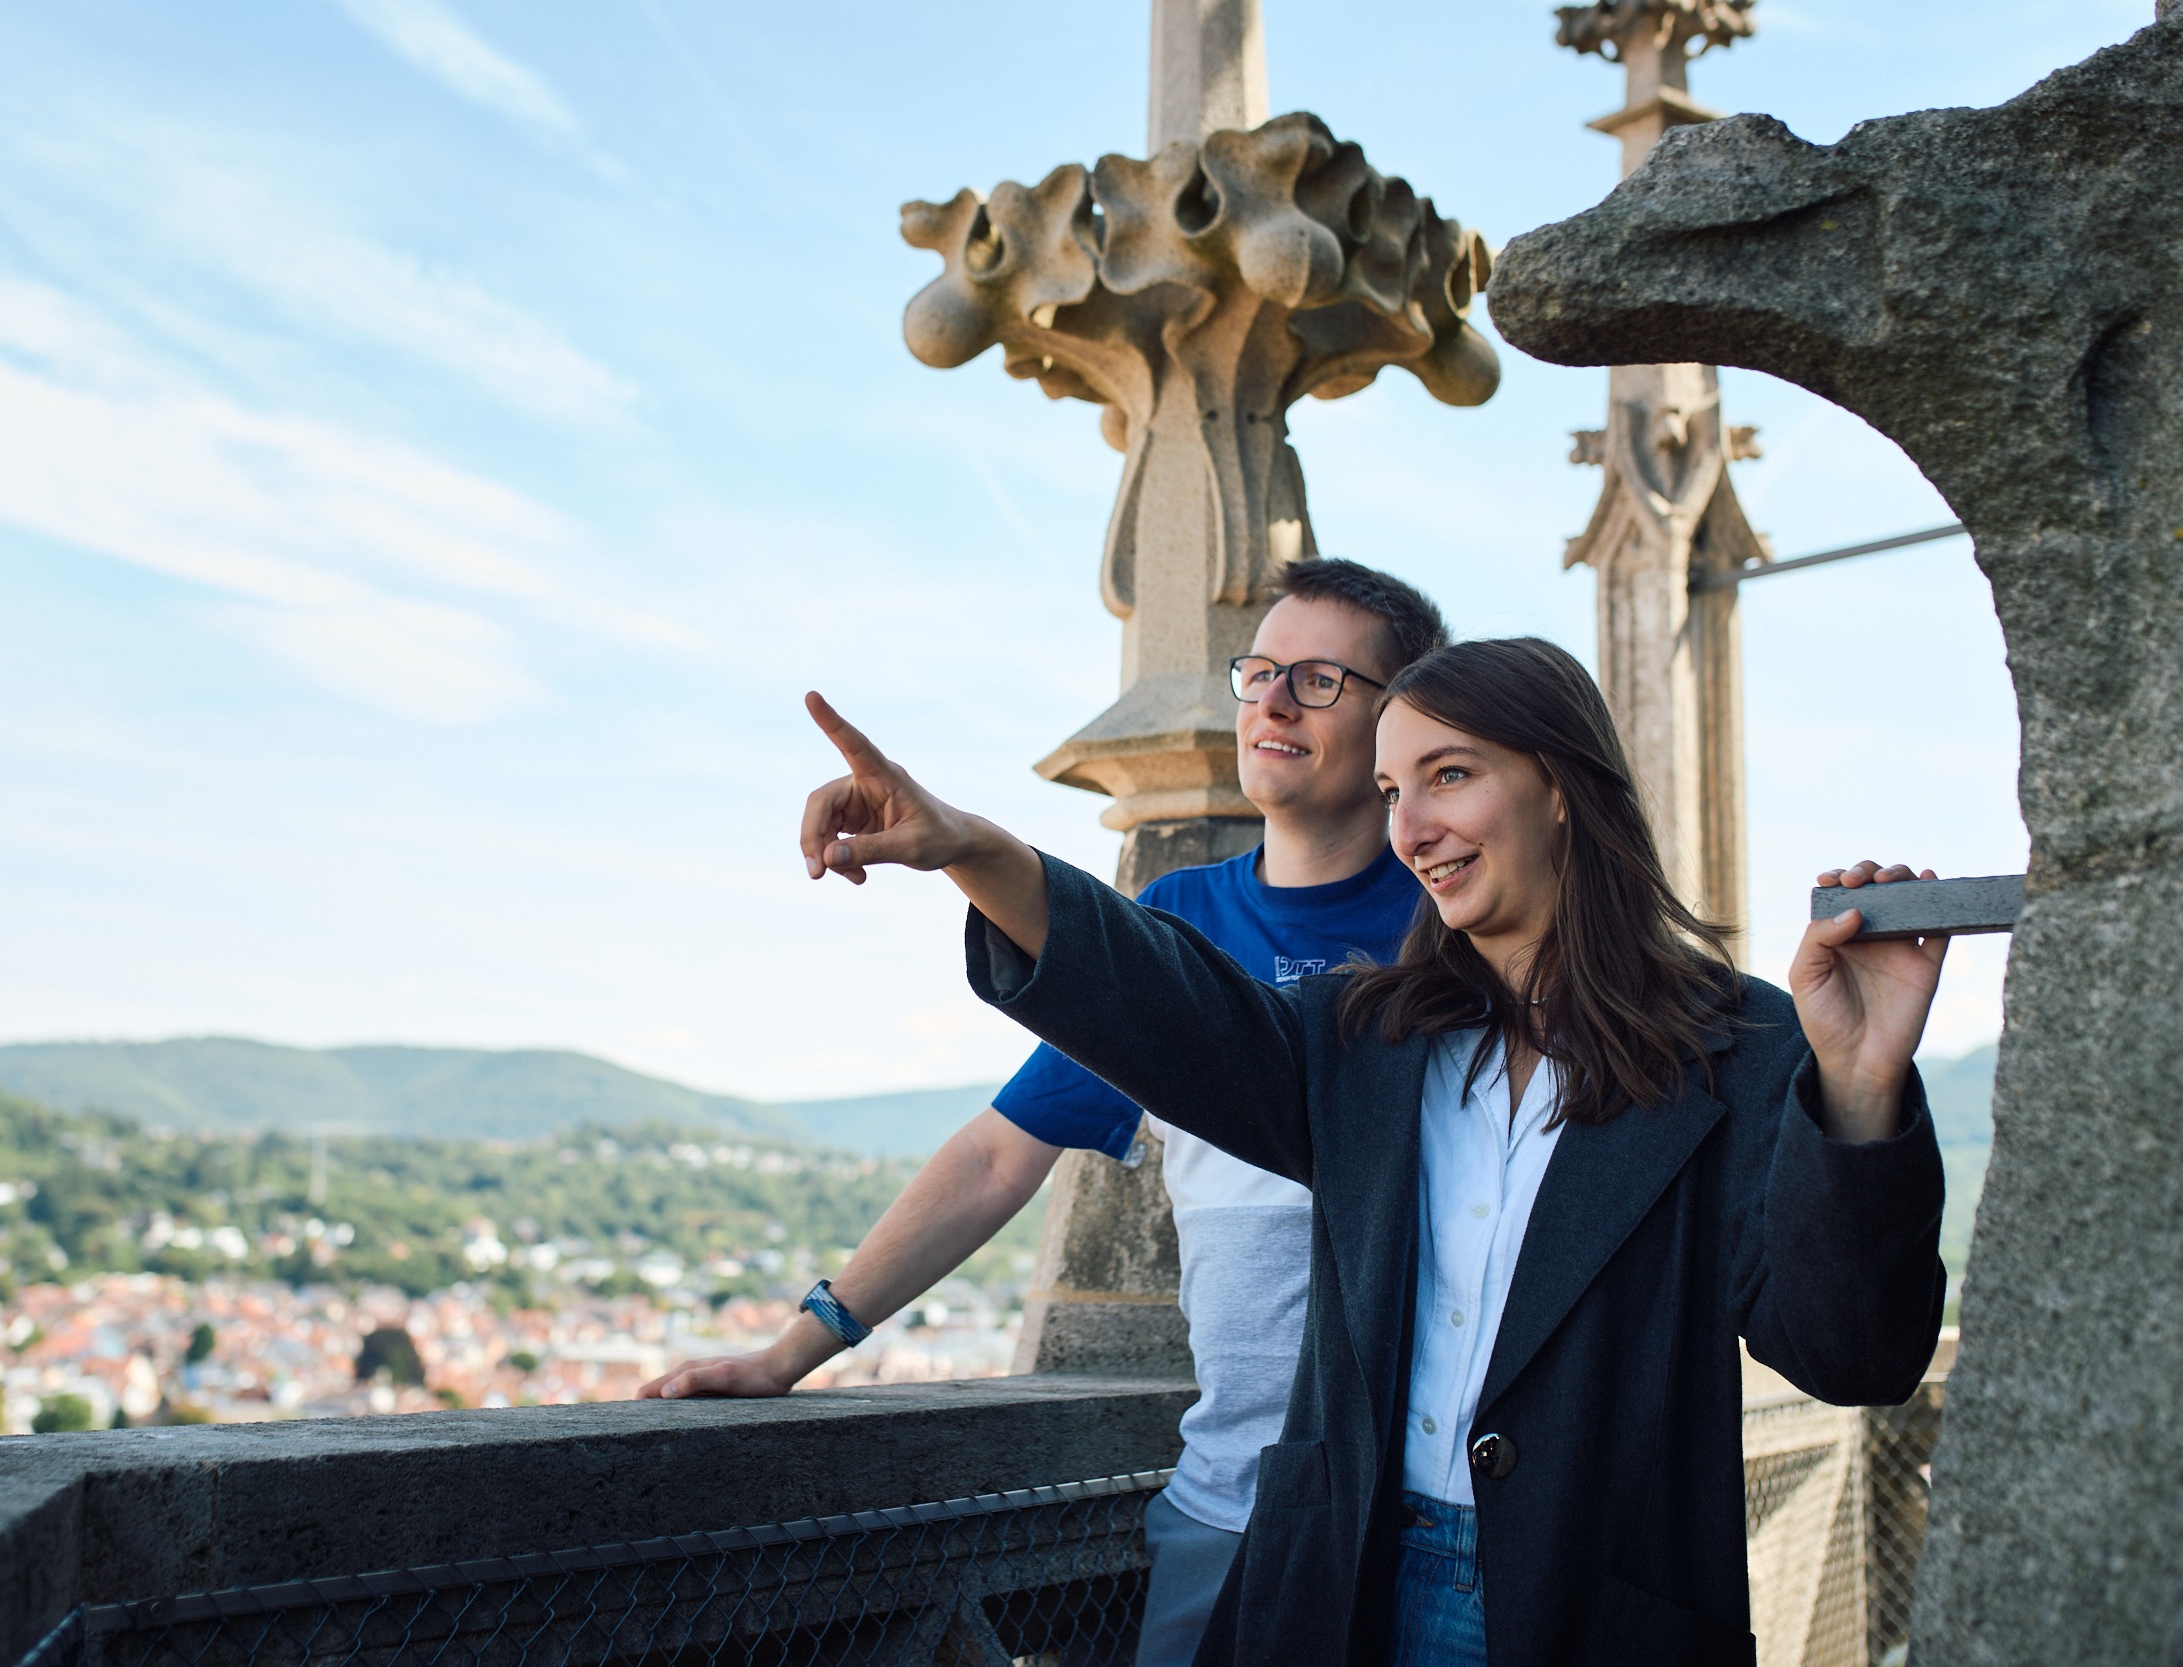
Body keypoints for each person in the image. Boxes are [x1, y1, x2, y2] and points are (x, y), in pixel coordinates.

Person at [790, 635, 1950, 1667]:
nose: (1409, 826)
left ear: (1562, 788)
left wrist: (1857, 1082)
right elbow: (1158, 991)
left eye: (1449, 774)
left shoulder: (1740, 1047)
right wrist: (970, 849)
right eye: (1394, 787)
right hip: (1335, 1580)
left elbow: (1850, 1354)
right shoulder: (1362, 1037)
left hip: (1583, 1606)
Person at [643, 560, 1451, 1667]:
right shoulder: (1177, 923)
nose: (1269, 701)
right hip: (1232, 1495)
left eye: (1319, 679)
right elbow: (994, 1156)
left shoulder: (1454, 922)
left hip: (1432, 1513)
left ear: (1399, 720)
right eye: (1259, 669)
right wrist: (798, 1346)